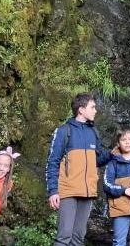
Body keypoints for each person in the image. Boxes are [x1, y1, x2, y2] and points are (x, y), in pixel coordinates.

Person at [46, 93, 111, 246]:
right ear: (81, 110)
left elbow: (97, 160)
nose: (95, 110)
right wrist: (53, 191)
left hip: (87, 192)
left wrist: (113, 153)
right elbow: (52, 162)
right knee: (64, 237)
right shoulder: (64, 131)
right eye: (92, 107)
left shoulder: (93, 132)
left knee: (78, 238)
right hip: (68, 190)